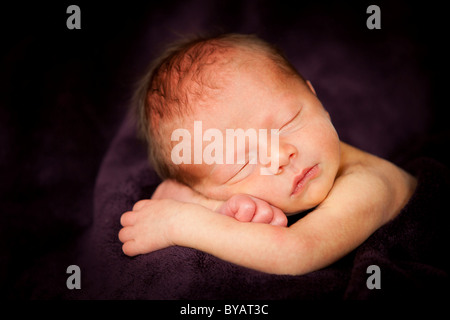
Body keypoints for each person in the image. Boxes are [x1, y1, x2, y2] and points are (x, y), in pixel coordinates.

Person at [118, 33, 417, 275]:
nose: (280, 156)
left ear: (314, 97)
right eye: (243, 165)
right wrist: (215, 208)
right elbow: (164, 197)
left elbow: (298, 251)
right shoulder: (248, 184)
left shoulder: (367, 185)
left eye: (288, 122)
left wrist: (182, 224)